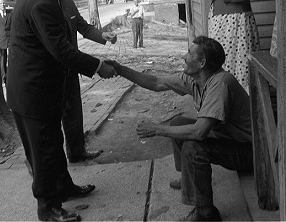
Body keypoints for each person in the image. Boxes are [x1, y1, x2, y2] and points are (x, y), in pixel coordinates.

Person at [6, 0, 117, 222]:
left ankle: (64, 188)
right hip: (32, 93)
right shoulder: (41, 1)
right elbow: (62, 51)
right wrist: (98, 66)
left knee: (53, 145)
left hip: (42, 89)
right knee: (43, 153)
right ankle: (48, 207)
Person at [107, 36, 253, 221]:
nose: (184, 56)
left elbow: (199, 132)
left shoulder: (220, 83)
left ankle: (206, 213)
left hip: (249, 151)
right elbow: (156, 82)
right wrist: (120, 69)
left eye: (190, 53)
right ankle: (188, 179)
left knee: (195, 148)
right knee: (178, 123)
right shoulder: (194, 79)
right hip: (228, 139)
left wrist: (158, 129)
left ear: (202, 63)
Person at [39, 0, 117, 163]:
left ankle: (76, 151)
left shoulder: (68, 4)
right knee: (50, 118)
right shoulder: (42, 5)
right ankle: (37, 160)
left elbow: (83, 27)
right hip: (51, 73)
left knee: (73, 111)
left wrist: (103, 35)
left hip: (71, 68)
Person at [0, 0, 12, 84]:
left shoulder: (10, 13)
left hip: (10, 41)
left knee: (11, 60)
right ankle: (4, 79)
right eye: (1, 3)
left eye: (4, 3)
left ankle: (12, 77)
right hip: (1, 41)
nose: (3, 5)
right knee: (2, 61)